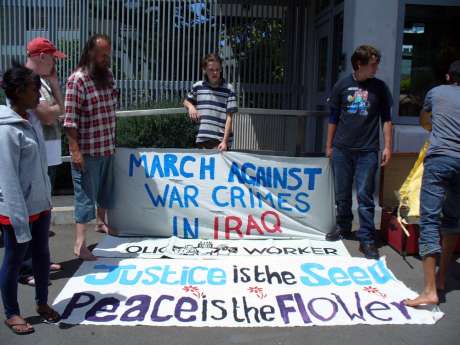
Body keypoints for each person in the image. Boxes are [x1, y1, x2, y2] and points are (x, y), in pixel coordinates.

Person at [0, 62, 61, 335]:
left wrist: (46, 201)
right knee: (13, 260)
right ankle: (12, 312)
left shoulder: (29, 121)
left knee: (41, 256)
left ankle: (41, 303)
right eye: (34, 89)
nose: (39, 95)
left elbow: (39, 168)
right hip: (17, 210)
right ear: (19, 90)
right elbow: (8, 179)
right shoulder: (6, 130)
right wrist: (19, 218)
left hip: (39, 206)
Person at [325, 45, 393, 260]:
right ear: (359, 64)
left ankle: (367, 239)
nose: (376, 68)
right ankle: (344, 227)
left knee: (365, 197)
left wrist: (388, 146)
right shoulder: (342, 85)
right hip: (342, 149)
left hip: (368, 151)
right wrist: (329, 145)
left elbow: (387, 119)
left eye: (376, 63)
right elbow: (333, 118)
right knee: (342, 194)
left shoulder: (380, 88)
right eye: (373, 64)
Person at [405, 60, 460, 307]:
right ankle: (440, 279)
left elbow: (425, 120)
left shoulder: (436, 92)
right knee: (452, 221)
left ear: (449, 76)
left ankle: (429, 290)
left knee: (429, 221)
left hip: (440, 160)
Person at [17, 37, 66, 286]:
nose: (54, 65)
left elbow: (61, 109)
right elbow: (48, 115)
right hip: (34, 154)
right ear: (42, 57)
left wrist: (55, 86)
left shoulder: (42, 82)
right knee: (31, 212)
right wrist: (57, 104)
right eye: (52, 59)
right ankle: (25, 268)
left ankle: (39, 260)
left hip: (47, 153)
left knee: (43, 211)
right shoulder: (25, 81)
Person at [63, 34, 117, 261]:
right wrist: (75, 151)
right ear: (91, 53)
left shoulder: (108, 76)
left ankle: (101, 223)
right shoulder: (77, 80)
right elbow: (69, 121)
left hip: (107, 146)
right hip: (87, 151)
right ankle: (79, 244)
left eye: (108, 55)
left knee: (105, 192)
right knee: (85, 197)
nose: (106, 59)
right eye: (102, 55)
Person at [183, 53, 238, 151]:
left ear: (221, 69)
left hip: (220, 141)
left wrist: (224, 141)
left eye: (217, 69)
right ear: (204, 69)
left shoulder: (229, 89)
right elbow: (186, 101)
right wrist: (191, 107)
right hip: (202, 138)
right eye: (211, 70)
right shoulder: (198, 86)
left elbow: (229, 117)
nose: (215, 73)